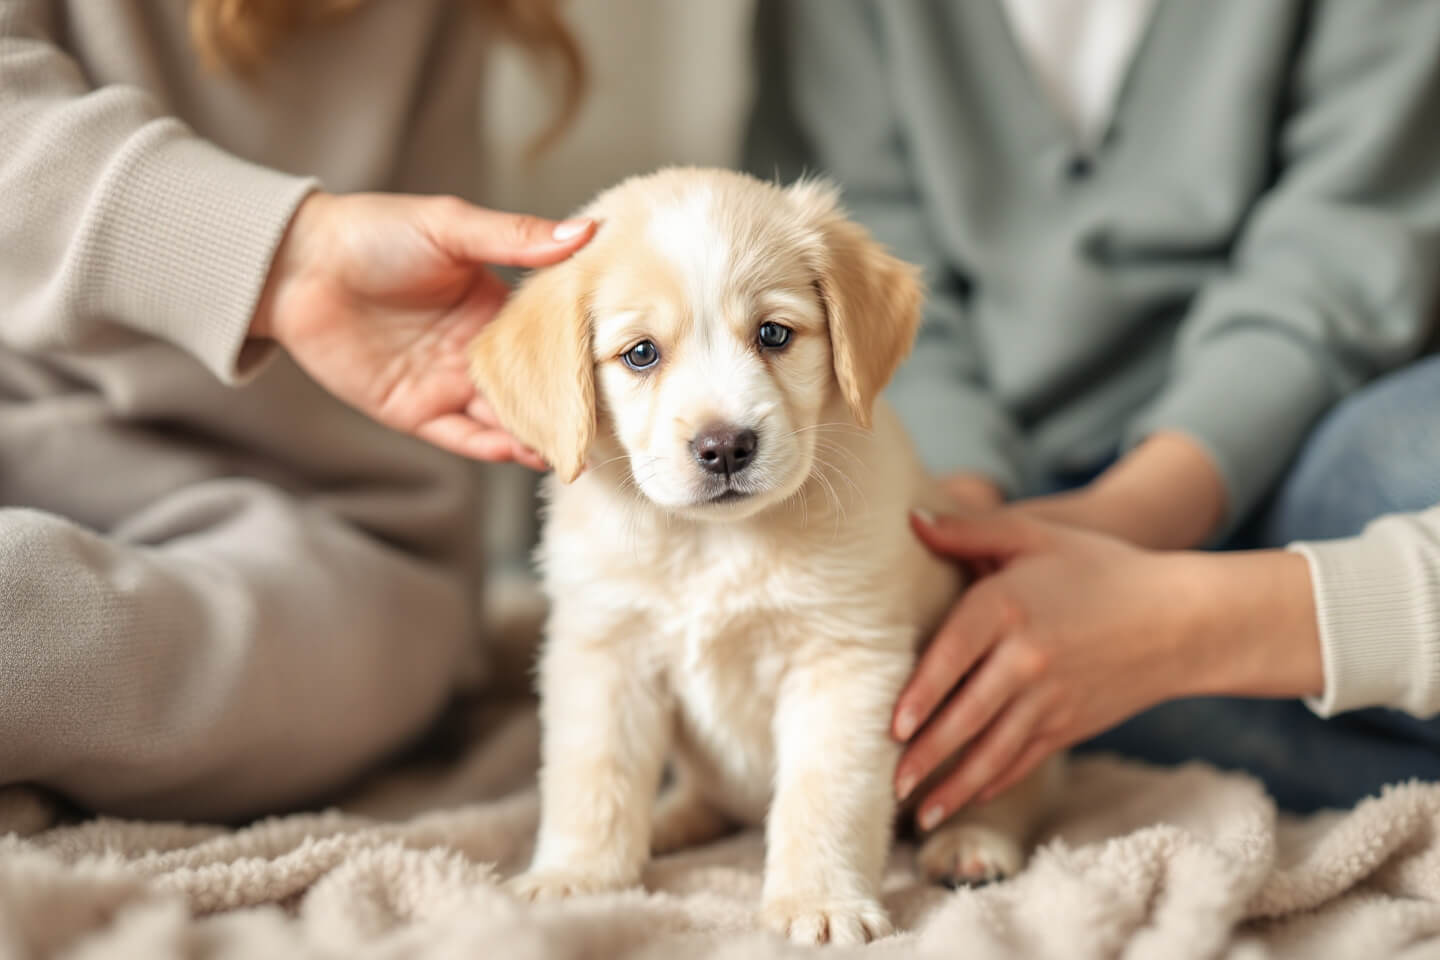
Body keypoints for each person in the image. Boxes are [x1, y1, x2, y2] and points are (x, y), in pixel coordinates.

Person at [744, 0, 1440, 819]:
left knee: (1405, 459)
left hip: (1302, 433)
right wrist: (957, 537)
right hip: (968, 479)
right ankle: (1109, 672)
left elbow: (1347, 245)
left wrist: (1133, 529)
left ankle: (1142, 676)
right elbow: (864, 280)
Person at [0, 0, 589, 821]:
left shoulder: (443, 22)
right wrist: (283, 257)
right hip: (23, 434)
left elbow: (419, 543)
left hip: (326, 545)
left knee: (34, 616)